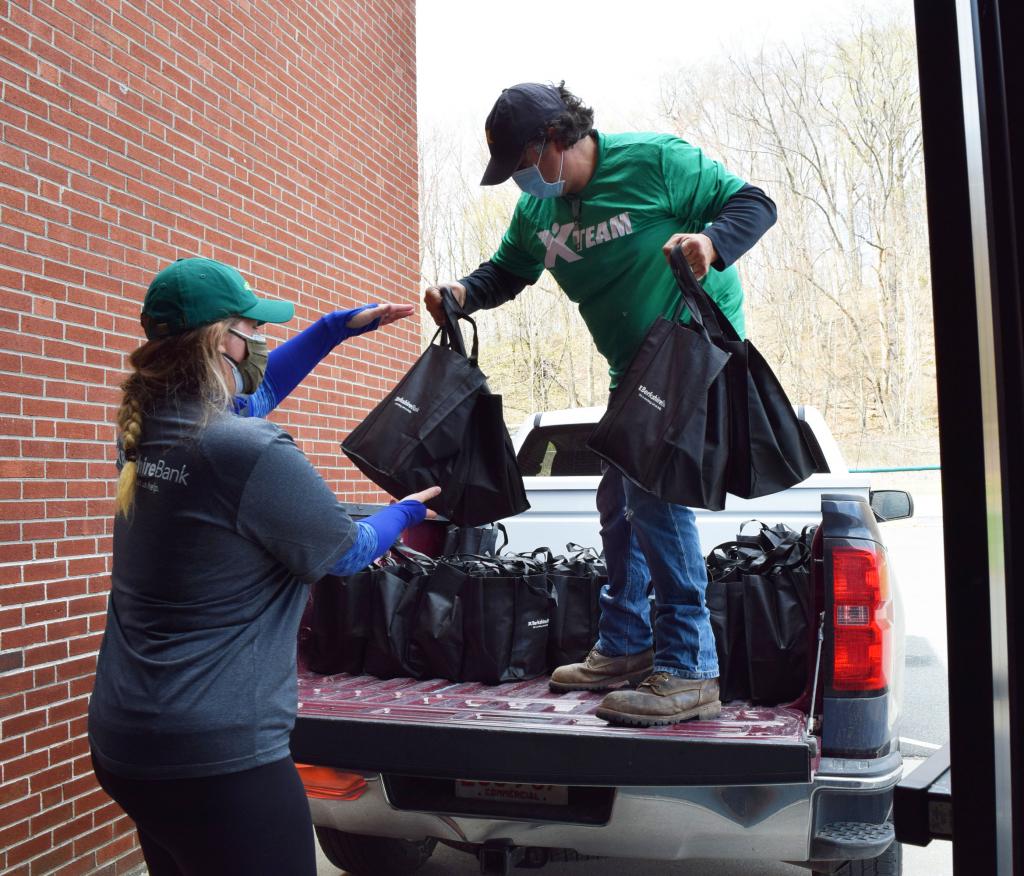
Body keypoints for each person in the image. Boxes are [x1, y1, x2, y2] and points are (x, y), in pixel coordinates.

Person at [425, 82, 777, 727]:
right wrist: (462, 293)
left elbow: (754, 202)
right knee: (616, 501)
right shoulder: (537, 215)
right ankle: (626, 645)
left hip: (693, 350)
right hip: (632, 369)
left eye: (524, 165)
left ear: (557, 140)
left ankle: (690, 668)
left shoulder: (656, 161)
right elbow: (507, 272)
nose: (521, 182)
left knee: (650, 496)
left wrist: (713, 244)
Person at [88, 257, 439, 876]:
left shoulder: (142, 435)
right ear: (222, 342)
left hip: (127, 743)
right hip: (219, 756)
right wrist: (405, 511)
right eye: (252, 330)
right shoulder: (250, 451)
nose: (259, 344)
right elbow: (349, 552)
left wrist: (334, 328)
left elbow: (256, 394)